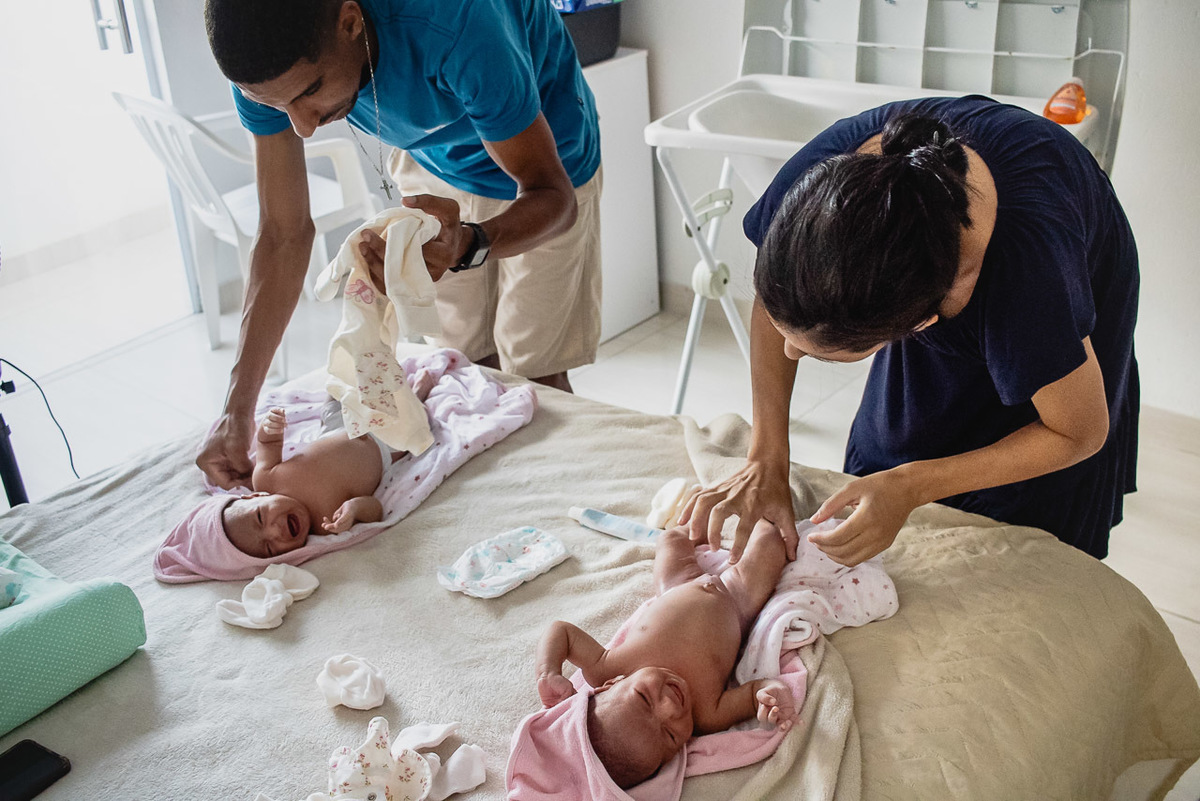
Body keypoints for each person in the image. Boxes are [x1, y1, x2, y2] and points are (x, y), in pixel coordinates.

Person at [682, 95, 1139, 567]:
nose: (789, 352)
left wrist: (912, 485)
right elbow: (782, 302)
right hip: (956, 270)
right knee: (890, 450)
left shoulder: (1028, 277)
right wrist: (766, 457)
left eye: (820, 353)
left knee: (1023, 527)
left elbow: (1077, 432)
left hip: (1048, 286)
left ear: (921, 324)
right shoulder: (818, 185)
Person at [198, 0, 602, 491]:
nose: (301, 126)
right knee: (463, 367)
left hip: (544, 155)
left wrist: (471, 243)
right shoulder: (265, 59)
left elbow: (553, 197)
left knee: (538, 376)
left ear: (350, 22)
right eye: (275, 107)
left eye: (310, 93)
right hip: (434, 162)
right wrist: (236, 410)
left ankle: (559, 497)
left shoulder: (456, 20)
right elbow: (282, 235)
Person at [534, 521, 796, 789]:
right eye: (671, 735)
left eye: (644, 698)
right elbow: (754, 696)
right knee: (771, 540)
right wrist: (772, 694)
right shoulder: (708, 715)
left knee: (672, 539)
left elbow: (561, 632)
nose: (671, 707)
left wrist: (548, 671)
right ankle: (766, 519)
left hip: (675, 586)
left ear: (612, 684)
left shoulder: (606, 667)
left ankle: (698, 521)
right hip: (736, 602)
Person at [207, 368, 435, 559]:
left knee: (336, 390)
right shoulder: (326, 524)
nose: (274, 532)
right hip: (382, 448)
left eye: (260, 518)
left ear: (254, 497)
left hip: (336, 427)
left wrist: (270, 427)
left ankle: (355, 364)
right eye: (269, 548)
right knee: (414, 431)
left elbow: (268, 444)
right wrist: (354, 510)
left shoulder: (265, 477)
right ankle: (419, 393)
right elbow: (374, 509)